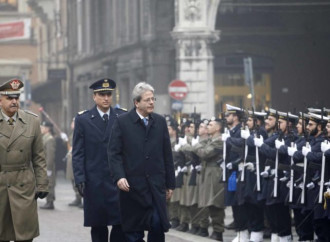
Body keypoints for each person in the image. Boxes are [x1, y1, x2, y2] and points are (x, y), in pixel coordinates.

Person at [108, 82, 176, 242]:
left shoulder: (159, 122)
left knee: (158, 225)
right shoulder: (122, 122)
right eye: (147, 100)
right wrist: (119, 177)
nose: (152, 102)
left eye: (153, 99)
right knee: (133, 232)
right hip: (132, 188)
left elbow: (167, 154)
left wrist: (170, 184)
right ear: (136, 102)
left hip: (155, 187)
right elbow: (114, 153)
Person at [72, 78, 126, 242]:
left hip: (117, 181)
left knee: (120, 225)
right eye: (102, 94)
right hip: (95, 182)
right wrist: (80, 178)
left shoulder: (122, 116)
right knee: (98, 227)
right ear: (94, 97)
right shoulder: (83, 119)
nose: (106, 98)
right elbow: (78, 153)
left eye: (108, 94)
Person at [0, 78, 49, 242]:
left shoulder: (32, 121)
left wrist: (42, 183)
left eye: (16, 98)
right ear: (0, 100)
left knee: (25, 235)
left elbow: (39, 156)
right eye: (9, 98)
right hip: (1, 184)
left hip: (24, 185)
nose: (14, 101)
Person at [66, 118, 83, 208]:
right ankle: (77, 198)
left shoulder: (80, 133)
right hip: (71, 159)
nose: (71, 124)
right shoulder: (72, 133)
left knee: (78, 181)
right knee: (73, 180)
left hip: (76, 160)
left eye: (73, 122)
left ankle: (82, 198)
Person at [40, 121, 56, 210]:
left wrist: (49, 168)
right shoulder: (44, 138)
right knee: (46, 183)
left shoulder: (49, 139)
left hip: (48, 166)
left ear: (47, 129)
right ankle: (48, 201)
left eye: (43, 128)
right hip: (44, 165)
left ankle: (50, 202)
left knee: (50, 184)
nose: (41, 129)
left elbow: (50, 156)